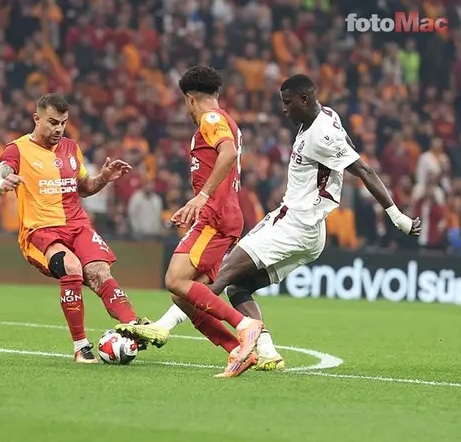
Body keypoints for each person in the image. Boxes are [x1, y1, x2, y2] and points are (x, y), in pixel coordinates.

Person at [119, 74, 422, 376]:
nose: (284, 110)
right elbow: (351, 149)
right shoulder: (328, 116)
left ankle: (164, 326)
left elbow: (364, 170)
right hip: (312, 233)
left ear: (305, 99)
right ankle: (267, 352)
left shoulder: (322, 134)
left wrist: (399, 218)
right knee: (239, 286)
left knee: (221, 276)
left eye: (288, 103)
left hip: (295, 223)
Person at [116, 66, 265, 378]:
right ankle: (238, 350)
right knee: (182, 295)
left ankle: (244, 325)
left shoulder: (210, 119)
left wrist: (202, 197)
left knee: (175, 279)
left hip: (215, 216)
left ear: (190, 99)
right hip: (223, 214)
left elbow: (228, 154)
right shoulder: (226, 120)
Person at [0, 93, 146, 364]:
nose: (58, 129)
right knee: (72, 267)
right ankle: (81, 346)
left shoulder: (71, 148)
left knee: (99, 271)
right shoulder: (17, 149)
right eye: (52, 122)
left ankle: (135, 328)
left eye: (63, 123)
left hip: (77, 225)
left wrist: (104, 178)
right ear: (37, 119)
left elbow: (85, 188)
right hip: (41, 231)